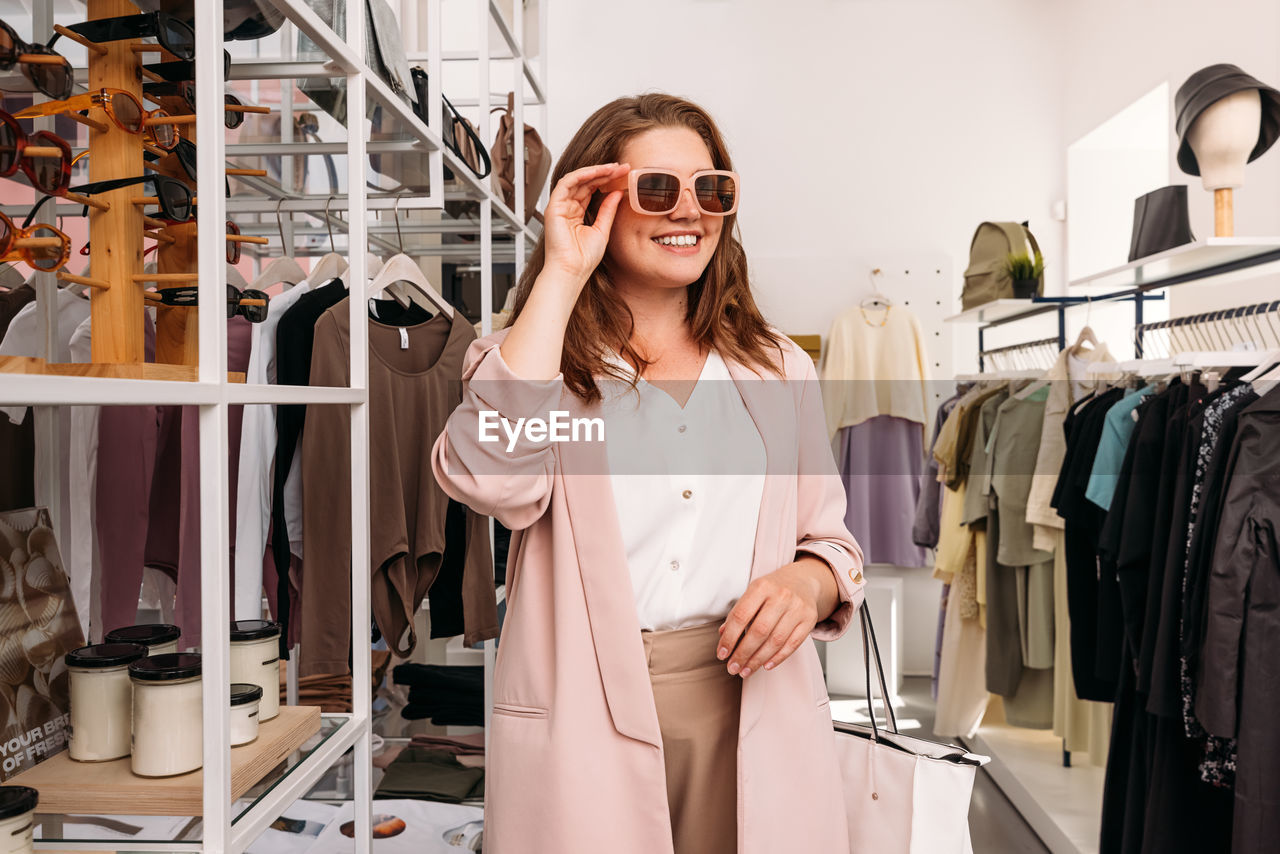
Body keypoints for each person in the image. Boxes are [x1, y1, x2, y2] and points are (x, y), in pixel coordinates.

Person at [432, 93, 865, 854]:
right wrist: (563, 272)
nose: (689, 210)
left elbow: (832, 545)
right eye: (657, 188)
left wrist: (808, 583)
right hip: (587, 710)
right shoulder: (537, 362)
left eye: (712, 189)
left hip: (752, 702)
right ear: (596, 200)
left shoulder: (775, 369)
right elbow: (489, 480)